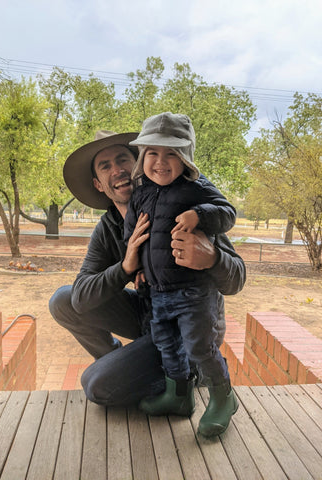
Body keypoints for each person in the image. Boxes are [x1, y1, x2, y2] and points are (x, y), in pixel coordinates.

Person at [49, 129, 246, 418]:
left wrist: (212, 258)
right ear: (98, 184)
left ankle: (191, 374)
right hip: (149, 316)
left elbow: (237, 278)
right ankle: (121, 362)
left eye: (122, 159)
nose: (117, 170)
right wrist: (125, 267)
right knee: (63, 301)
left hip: (189, 324)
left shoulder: (183, 206)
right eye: (105, 166)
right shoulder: (108, 227)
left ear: (138, 164)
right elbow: (80, 299)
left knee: (97, 385)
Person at [124, 112, 238, 436]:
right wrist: (140, 269)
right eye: (153, 153)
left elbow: (228, 213)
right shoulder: (140, 192)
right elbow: (132, 233)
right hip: (159, 291)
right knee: (166, 344)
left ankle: (223, 397)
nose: (161, 162)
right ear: (143, 156)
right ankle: (178, 397)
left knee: (199, 347)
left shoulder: (197, 188)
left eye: (171, 153)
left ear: (186, 156)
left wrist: (199, 214)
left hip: (194, 293)